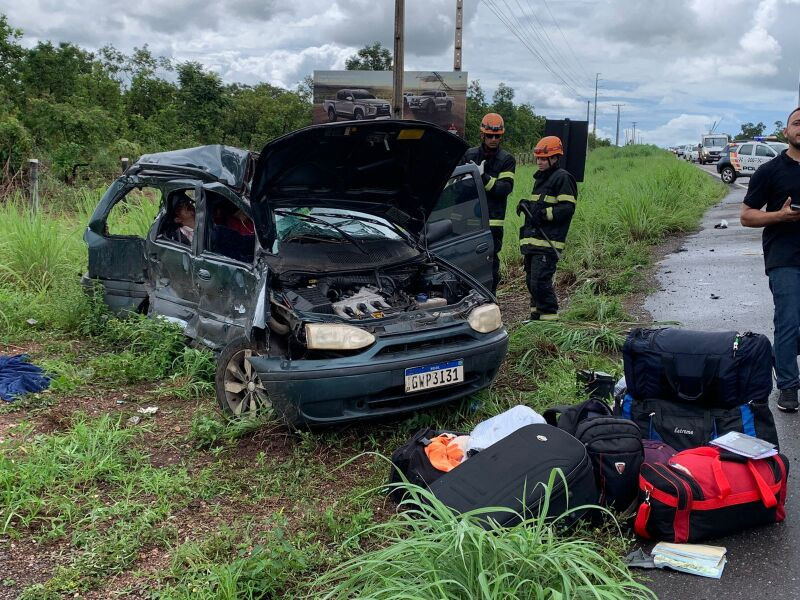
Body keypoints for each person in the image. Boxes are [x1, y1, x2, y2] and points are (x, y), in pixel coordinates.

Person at [740, 106, 800, 412]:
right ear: (786, 132)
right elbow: (746, 216)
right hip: (785, 257)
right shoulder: (770, 171)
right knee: (789, 320)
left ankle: (782, 356)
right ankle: (789, 386)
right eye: (797, 123)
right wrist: (780, 215)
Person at [516, 135, 578, 321]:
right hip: (534, 242)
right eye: (538, 158)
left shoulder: (563, 178)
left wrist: (543, 214)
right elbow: (540, 205)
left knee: (540, 282)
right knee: (531, 281)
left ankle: (549, 320)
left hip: (548, 241)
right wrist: (527, 205)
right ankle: (536, 316)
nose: (539, 162)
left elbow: (567, 209)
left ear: (555, 158)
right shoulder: (542, 179)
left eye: (544, 158)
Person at [460, 113, 516, 294]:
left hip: (492, 222)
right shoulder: (469, 155)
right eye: (490, 135)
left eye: (497, 136)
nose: (493, 139)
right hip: (468, 219)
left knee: (489, 262)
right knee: (465, 261)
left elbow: (504, 189)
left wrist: (483, 177)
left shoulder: (507, 160)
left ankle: (489, 299)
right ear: (482, 135)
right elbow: (458, 188)